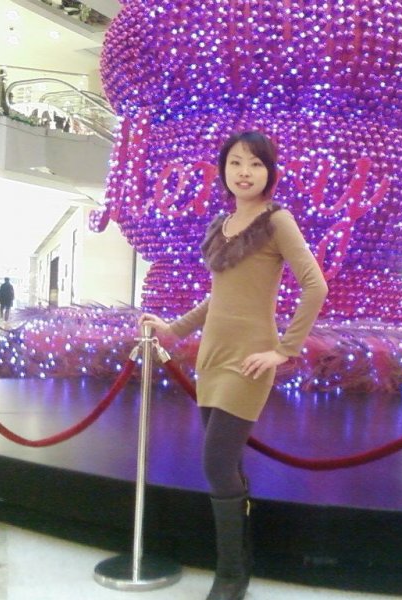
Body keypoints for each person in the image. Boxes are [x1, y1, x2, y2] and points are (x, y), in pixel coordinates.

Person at [139, 131, 328, 600]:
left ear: (270, 171)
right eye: (236, 163)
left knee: (216, 462)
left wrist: (284, 349)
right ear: (223, 170)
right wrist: (174, 329)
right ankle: (240, 562)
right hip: (212, 355)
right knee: (227, 465)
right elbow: (219, 297)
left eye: (255, 164)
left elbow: (315, 286)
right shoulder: (222, 223)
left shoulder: (277, 220)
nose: (245, 172)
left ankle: (229, 574)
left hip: (248, 361)